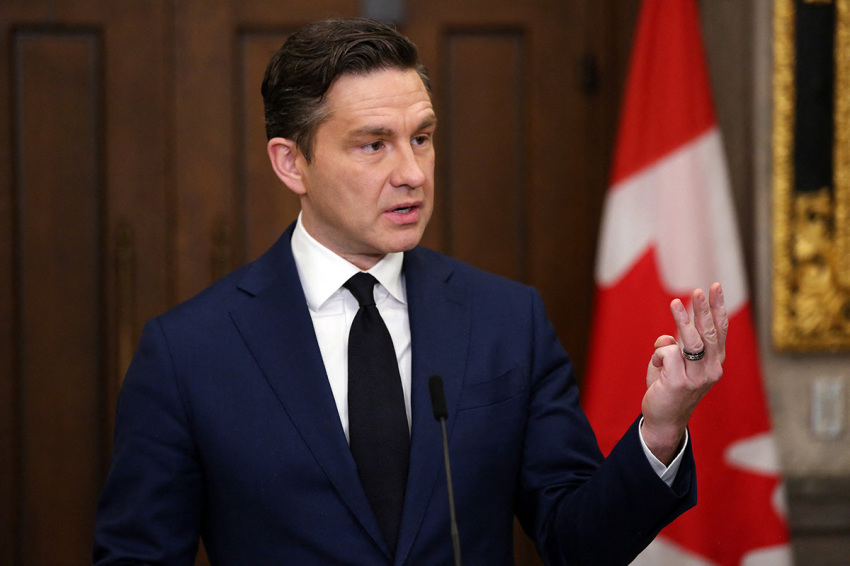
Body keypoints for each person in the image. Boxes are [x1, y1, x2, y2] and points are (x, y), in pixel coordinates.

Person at [93, 17, 727, 565]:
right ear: (291, 163)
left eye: (421, 138)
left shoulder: (507, 321)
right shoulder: (188, 352)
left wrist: (661, 429)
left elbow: (578, 543)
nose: (412, 173)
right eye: (374, 144)